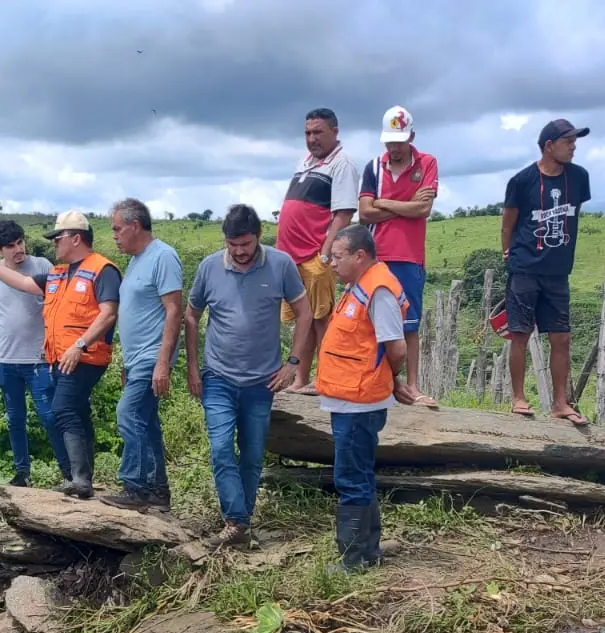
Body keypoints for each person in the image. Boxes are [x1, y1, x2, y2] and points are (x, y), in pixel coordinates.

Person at [0, 210, 119, 499]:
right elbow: (20, 284)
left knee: (60, 411)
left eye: (58, 238)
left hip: (77, 356)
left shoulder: (101, 269)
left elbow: (108, 313)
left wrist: (80, 344)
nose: (53, 243)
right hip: (57, 359)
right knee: (71, 413)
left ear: (75, 239)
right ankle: (78, 477)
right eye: (11, 246)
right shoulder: (57, 273)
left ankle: (76, 478)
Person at [185, 204, 313, 548]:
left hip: (262, 381)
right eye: (233, 245)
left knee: (253, 454)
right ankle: (237, 522)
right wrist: (193, 367)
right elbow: (192, 315)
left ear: (258, 237)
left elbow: (304, 312)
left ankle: (239, 524)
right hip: (218, 377)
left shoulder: (281, 264)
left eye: (246, 244)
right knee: (222, 448)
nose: (240, 252)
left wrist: (293, 364)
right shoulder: (209, 267)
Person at [303, 225, 428, 569]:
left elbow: (397, 346)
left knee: (351, 478)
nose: (332, 263)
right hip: (349, 398)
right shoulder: (358, 285)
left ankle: (353, 558)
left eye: (338, 256)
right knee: (358, 474)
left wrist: (391, 377)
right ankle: (368, 551)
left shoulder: (379, 290)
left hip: (360, 401)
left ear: (360, 256)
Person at [501, 118, 591, 426]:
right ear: (549, 145)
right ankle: (518, 398)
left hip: (558, 272)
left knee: (561, 336)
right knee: (520, 334)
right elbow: (508, 223)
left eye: (574, 141)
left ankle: (559, 403)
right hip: (525, 267)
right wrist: (509, 255)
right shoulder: (522, 180)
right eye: (568, 141)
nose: (574, 146)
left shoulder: (579, 178)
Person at [0, 218, 67, 485]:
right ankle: (22, 473)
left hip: (38, 358)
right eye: (10, 246)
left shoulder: (41, 265)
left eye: (20, 242)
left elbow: (58, 302)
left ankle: (69, 472)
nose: (18, 249)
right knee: (15, 419)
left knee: (50, 417)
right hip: (6, 359)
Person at [105, 197, 184, 511]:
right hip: (136, 360)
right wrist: (127, 361)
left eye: (117, 229)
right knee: (146, 422)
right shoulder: (135, 261)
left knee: (128, 414)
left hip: (152, 357)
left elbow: (174, 311)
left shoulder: (163, 256)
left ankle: (135, 487)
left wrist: (162, 363)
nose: (114, 236)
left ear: (135, 226)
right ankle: (157, 491)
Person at [357, 105, 439, 406]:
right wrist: (404, 204)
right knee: (374, 322)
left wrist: (384, 203)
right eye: (389, 141)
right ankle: (380, 382)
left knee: (410, 325)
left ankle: (412, 386)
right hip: (376, 257)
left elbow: (423, 210)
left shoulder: (427, 163)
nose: (394, 147)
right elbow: (364, 213)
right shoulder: (373, 168)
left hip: (410, 256)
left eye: (399, 141)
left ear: (412, 137)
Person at [275, 107, 359, 388]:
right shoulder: (306, 162)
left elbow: (343, 214)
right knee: (304, 319)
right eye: (308, 133)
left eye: (318, 132)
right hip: (292, 255)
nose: (312, 138)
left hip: (314, 254)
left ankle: (326, 377)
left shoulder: (342, 164)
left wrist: (325, 253)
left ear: (335, 132)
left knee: (321, 319)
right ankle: (302, 379)